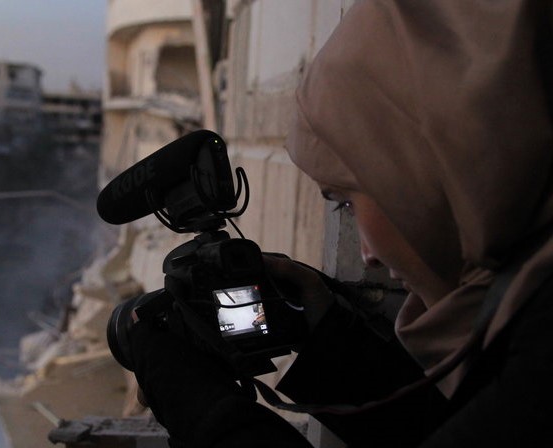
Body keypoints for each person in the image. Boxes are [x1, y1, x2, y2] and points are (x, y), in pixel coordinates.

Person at [128, 0, 553, 446]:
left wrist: (199, 408)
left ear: (434, 168)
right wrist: (327, 335)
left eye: (346, 203)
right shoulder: (521, 311)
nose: (369, 256)